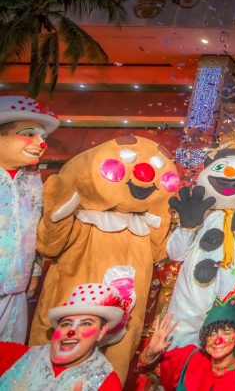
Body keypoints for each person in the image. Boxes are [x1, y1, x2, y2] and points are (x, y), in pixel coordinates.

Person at [31, 136, 180, 381]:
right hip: (75, 313)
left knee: (113, 370)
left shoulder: (143, 225)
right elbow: (49, 246)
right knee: (52, 367)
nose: (144, 174)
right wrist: (60, 209)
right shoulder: (84, 218)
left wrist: (162, 215)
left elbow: (159, 253)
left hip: (126, 315)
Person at [165, 131, 235, 348]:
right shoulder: (201, 214)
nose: (230, 173)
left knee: (225, 354)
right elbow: (175, 254)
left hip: (232, 305)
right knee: (180, 354)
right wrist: (187, 228)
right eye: (221, 167)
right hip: (190, 304)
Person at [0, 95, 59, 342]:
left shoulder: (33, 181)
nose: (40, 143)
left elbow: (34, 229)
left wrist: (33, 272)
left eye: (43, 137)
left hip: (17, 289)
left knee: (10, 355)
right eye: (28, 134)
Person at [0, 280, 130, 390]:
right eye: (66, 324)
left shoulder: (107, 384)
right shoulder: (16, 356)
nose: (71, 331)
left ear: (101, 331)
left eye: (85, 323)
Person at [138, 295, 235, 391]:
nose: (217, 340)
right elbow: (146, 371)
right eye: (212, 334)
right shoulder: (189, 357)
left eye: (226, 333)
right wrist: (151, 352)